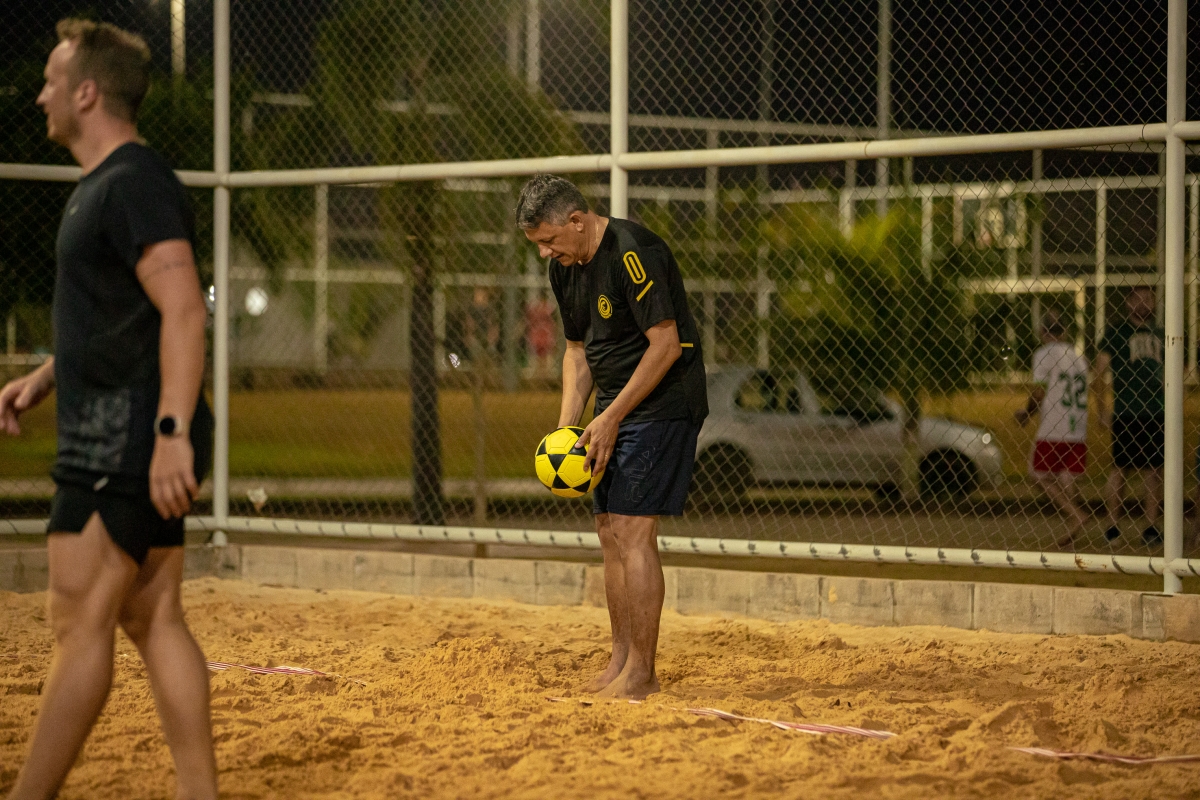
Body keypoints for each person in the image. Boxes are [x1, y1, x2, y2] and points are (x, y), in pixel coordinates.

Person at [1, 20, 217, 800]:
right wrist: (45, 378)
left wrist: (171, 434)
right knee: (152, 616)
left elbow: (184, 310)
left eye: (52, 81)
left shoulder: (132, 182)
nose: (41, 95)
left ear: (87, 92)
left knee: (77, 619)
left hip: (126, 435)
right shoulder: (108, 184)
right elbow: (121, 317)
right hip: (126, 425)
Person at [516, 175, 708, 700]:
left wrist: (612, 416)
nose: (545, 253)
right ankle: (620, 661)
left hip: (664, 401)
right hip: (615, 409)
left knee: (631, 529)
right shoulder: (565, 269)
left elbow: (666, 345)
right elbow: (577, 352)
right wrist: (567, 428)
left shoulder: (633, 251)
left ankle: (642, 674)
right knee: (607, 530)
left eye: (549, 240)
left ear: (577, 221)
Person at [1095, 286, 1164, 548]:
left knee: (1154, 471)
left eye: (1148, 298)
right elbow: (1099, 374)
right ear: (1128, 302)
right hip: (1126, 411)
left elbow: (1176, 370)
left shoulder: (1162, 333)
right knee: (1120, 469)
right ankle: (1112, 526)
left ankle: (1151, 527)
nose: (1144, 303)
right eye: (1138, 298)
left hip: (1156, 411)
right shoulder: (1117, 333)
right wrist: (1102, 409)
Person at [1014, 310, 1089, 548]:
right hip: (1078, 425)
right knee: (1066, 476)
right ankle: (1074, 519)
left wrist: (1027, 413)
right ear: (1064, 332)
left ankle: (1076, 515)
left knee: (1037, 474)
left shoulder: (1043, 354)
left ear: (1042, 332)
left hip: (1054, 426)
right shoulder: (1078, 356)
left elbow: (1039, 392)